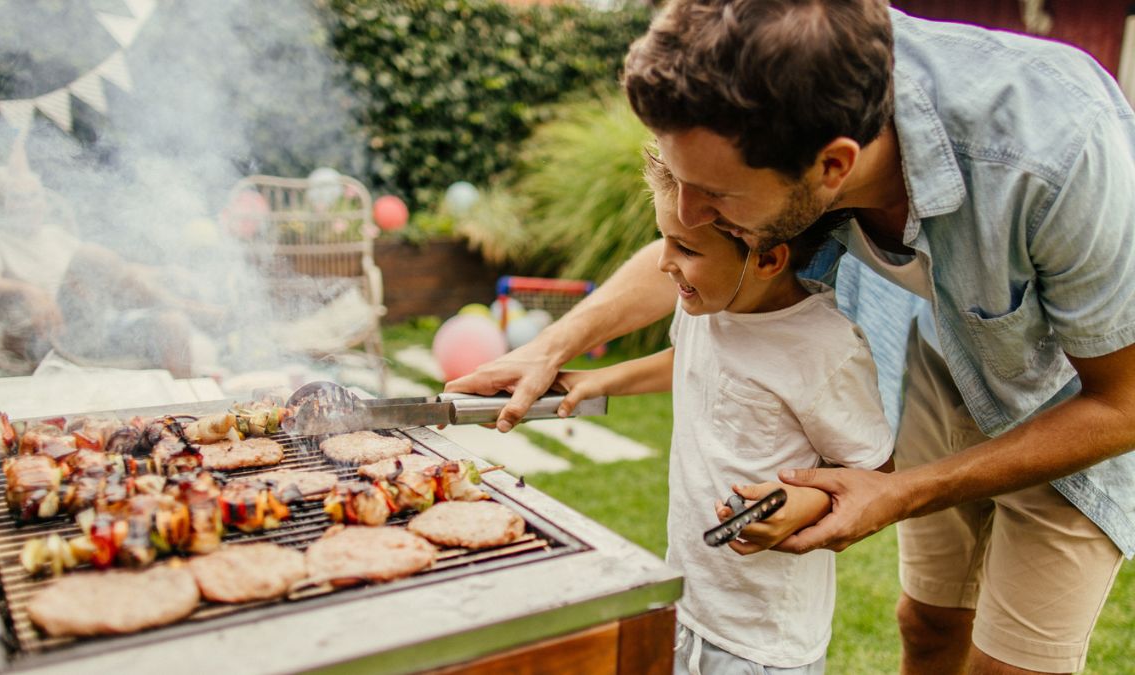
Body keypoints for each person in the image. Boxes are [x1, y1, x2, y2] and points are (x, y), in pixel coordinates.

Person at [447, 1, 1135, 673]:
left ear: (833, 169)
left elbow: (1123, 403)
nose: (690, 214)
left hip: (1070, 396)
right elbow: (708, 255)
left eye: (716, 195)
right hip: (941, 347)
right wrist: (552, 345)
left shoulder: (1058, 151)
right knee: (927, 622)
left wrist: (902, 491)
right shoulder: (799, 91)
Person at [555, 152, 894, 672]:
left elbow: (874, 470)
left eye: (685, 248)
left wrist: (805, 501)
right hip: (690, 601)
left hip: (762, 641)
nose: (665, 263)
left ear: (766, 259)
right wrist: (598, 380)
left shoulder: (824, 349)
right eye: (666, 239)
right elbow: (689, 363)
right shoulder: (710, 305)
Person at [0, 163, 221, 378]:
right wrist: (28, 290)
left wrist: (164, 271)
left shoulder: (54, 236)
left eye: (35, 195)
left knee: (171, 323)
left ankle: (188, 417)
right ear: (1, 204)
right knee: (89, 255)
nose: (29, 204)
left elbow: (114, 271)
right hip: (44, 334)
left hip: (90, 327)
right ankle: (185, 306)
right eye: (18, 198)